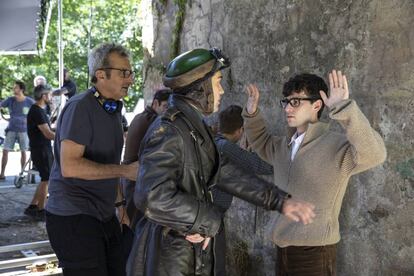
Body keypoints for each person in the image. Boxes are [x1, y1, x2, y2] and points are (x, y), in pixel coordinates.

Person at [126, 48, 315, 276]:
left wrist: (280, 201)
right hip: (171, 259)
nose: (222, 90)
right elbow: (151, 196)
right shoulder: (169, 131)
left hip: (188, 254)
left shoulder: (192, 128)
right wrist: (207, 220)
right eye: (217, 83)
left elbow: (223, 171)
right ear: (200, 88)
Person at [243, 70, 387, 275]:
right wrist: (251, 113)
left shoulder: (336, 146)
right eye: (286, 102)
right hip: (283, 249)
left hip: (315, 252)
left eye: (296, 102)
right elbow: (261, 141)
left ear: (316, 105)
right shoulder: (284, 145)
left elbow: (375, 154)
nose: (287, 109)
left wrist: (343, 108)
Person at [45, 42, 138, 276]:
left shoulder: (113, 110)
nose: (130, 80)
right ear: (100, 74)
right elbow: (70, 166)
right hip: (73, 216)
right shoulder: (80, 107)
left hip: (103, 214)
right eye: (124, 73)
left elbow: (109, 162)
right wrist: (125, 171)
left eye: (131, 73)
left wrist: (119, 205)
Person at [211, 104, 275, 276]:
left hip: (206, 214)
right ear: (241, 130)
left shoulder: (215, 143)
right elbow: (262, 165)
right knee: (217, 266)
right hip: (212, 217)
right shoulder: (226, 147)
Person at [122, 88, 171, 229]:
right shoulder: (152, 120)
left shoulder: (142, 116)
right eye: (165, 107)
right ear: (155, 103)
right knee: (136, 227)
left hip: (132, 177)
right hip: (135, 178)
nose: (168, 111)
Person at [24, 84, 55, 219]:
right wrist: (65, 136)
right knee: (46, 179)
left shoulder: (39, 110)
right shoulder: (36, 111)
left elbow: (49, 130)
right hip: (41, 149)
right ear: (44, 96)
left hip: (42, 148)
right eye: (50, 94)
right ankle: (42, 210)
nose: (51, 96)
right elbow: (48, 134)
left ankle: (33, 206)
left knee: (45, 179)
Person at [0, 80, 35, 180]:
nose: (13, 89)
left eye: (15, 87)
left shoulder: (29, 101)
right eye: (13, 87)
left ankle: (22, 174)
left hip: (24, 130)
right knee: (5, 151)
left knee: (23, 151)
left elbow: (37, 110)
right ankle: (2, 174)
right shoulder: (10, 100)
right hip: (11, 129)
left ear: (21, 89)